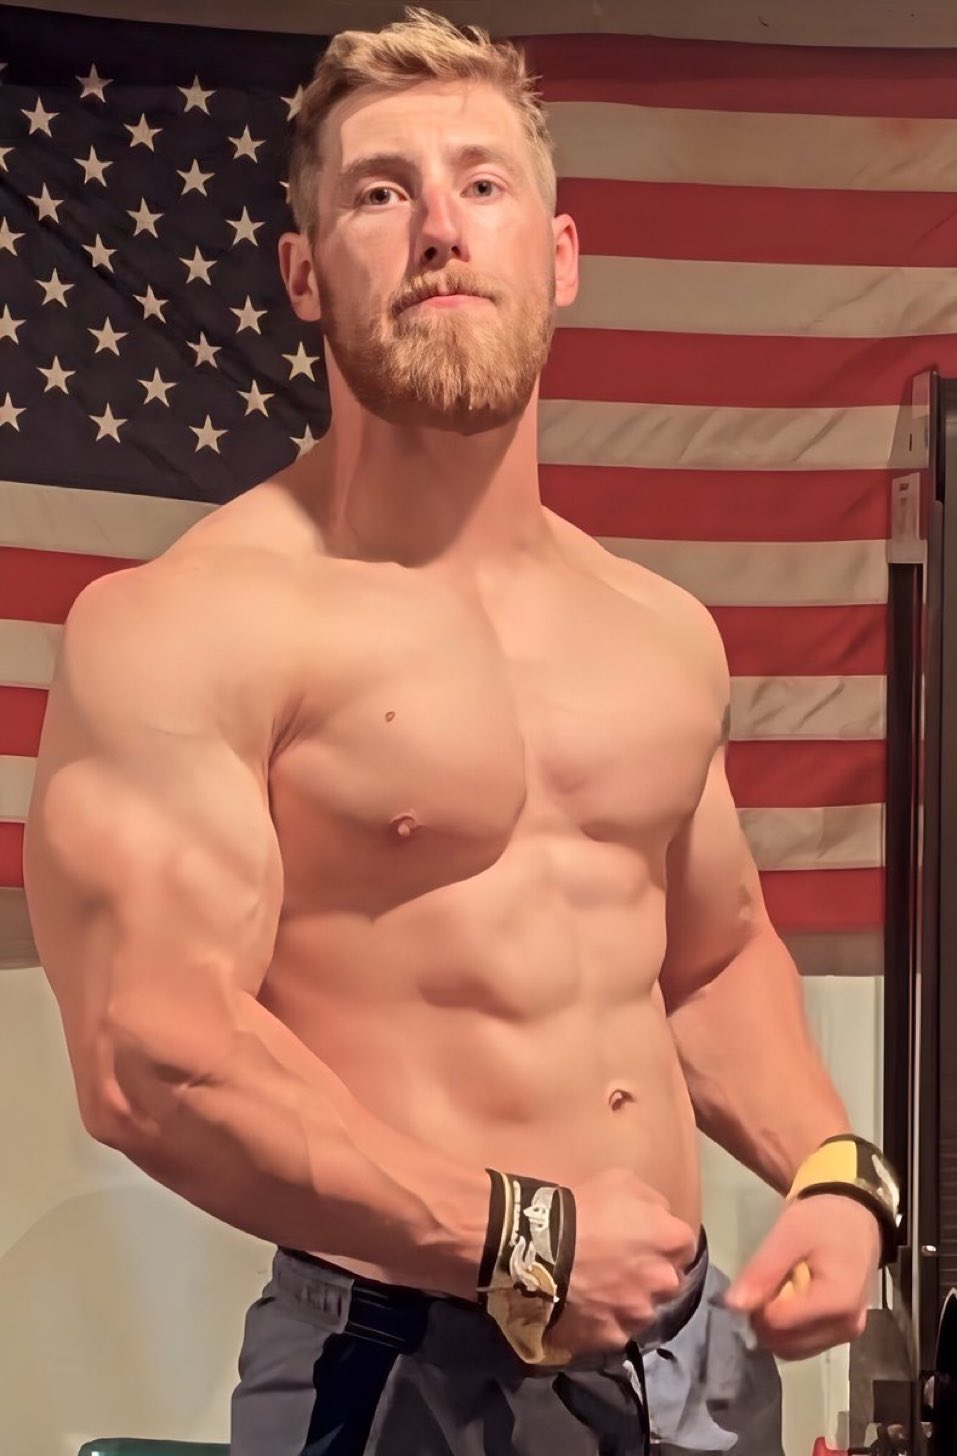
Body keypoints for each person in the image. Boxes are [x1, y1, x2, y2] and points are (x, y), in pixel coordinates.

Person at [24, 10, 900, 1456]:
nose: (440, 228)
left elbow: (712, 955)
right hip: (403, 1363)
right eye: (382, 192)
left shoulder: (657, 630)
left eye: (483, 184)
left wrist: (833, 1172)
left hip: (694, 1362)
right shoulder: (185, 626)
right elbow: (151, 1056)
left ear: (559, 256)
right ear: (304, 274)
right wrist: (517, 1240)